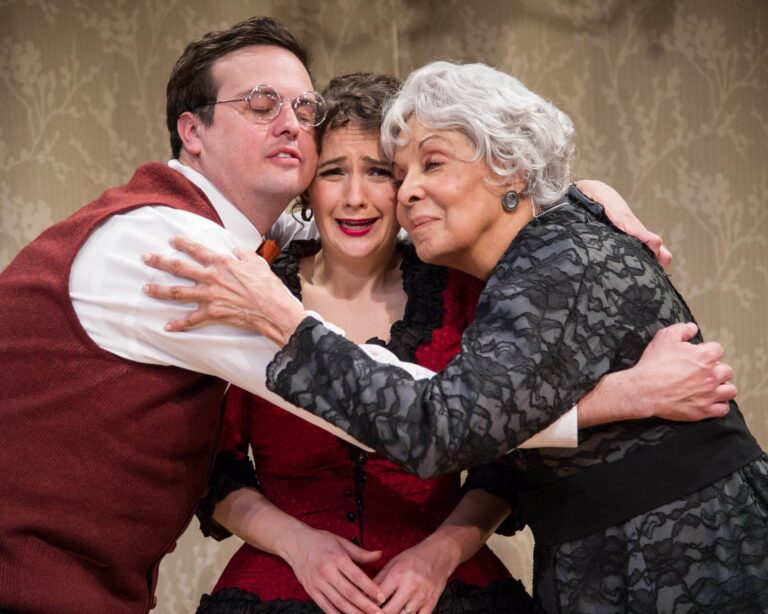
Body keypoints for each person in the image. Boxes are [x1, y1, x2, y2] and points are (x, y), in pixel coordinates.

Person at [0, 13, 732, 612]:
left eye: (303, 109)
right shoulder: (200, 258)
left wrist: (581, 193)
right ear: (192, 131)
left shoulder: (261, 248)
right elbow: (425, 417)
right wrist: (622, 398)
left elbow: (476, 437)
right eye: (261, 105)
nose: (291, 124)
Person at [195, 71, 536, 614]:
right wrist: (298, 545)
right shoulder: (254, 289)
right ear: (307, 185)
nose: (356, 198)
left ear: (404, 182)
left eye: (378, 172)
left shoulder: (463, 292)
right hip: (283, 587)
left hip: (451, 588)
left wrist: (438, 556)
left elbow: (509, 458)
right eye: (333, 172)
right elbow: (218, 467)